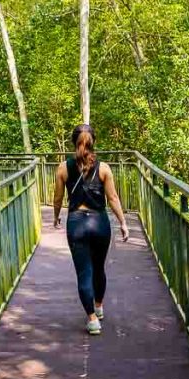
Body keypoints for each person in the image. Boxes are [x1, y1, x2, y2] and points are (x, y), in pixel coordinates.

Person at [52, 124, 129, 335]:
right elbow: (112, 198)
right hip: (100, 223)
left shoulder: (62, 168)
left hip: (76, 223)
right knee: (99, 268)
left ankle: (92, 320)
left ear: (72, 142)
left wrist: (57, 216)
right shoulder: (104, 169)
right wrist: (123, 223)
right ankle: (99, 306)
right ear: (93, 141)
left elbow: (58, 198)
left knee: (84, 273)